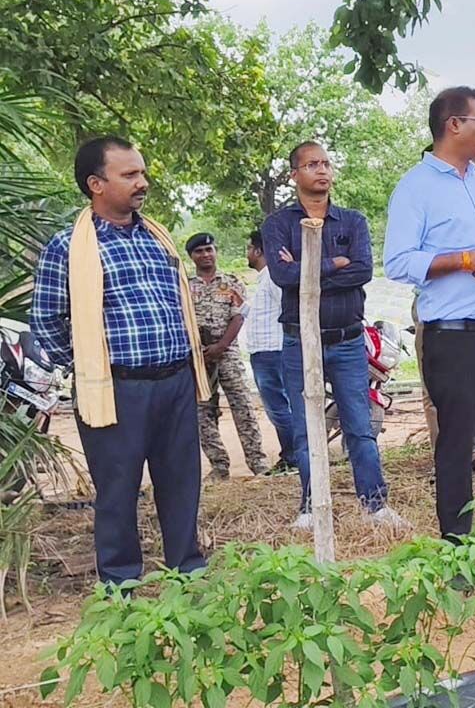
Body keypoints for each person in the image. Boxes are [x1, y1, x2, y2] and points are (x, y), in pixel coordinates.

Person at [30, 136, 207, 585]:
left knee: (182, 484)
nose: (142, 182)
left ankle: (187, 574)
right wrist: (91, 365)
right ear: (96, 184)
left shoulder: (157, 238)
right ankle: (120, 585)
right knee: (117, 490)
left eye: (141, 172)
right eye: (129, 175)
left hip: (175, 382)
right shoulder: (68, 246)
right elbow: (47, 320)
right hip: (114, 389)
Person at [384, 86, 475, 538]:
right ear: (454, 125)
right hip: (454, 338)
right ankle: (457, 545)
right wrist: (467, 259)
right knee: (455, 447)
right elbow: (398, 262)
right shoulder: (416, 188)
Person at [262, 140, 407, 530]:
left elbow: (362, 271)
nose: (322, 170)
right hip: (299, 341)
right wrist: (334, 263)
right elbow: (283, 276)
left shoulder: (352, 221)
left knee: (359, 427)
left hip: (347, 340)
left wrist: (310, 269)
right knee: (305, 429)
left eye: (326, 163)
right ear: (294, 175)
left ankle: (375, 505)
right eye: (312, 164)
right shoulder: (278, 225)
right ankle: (311, 507)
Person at [186, 233, 269, 479]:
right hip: (199, 356)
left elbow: (239, 315)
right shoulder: (185, 286)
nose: (205, 255)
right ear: (191, 256)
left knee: (242, 406)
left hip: (228, 354)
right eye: (199, 251)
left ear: (216, 251)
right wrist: (199, 350)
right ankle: (219, 465)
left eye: (209, 249)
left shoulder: (231, 282)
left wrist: (221, 346)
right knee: (203, 411)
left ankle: (257, 461)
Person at [243, 230, 297, 474]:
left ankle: (294, 457)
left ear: (258, 251)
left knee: (279, 407)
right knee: (278, 406)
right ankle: (292, 455)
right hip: (265, 351)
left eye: (249, 248)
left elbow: (287, 309)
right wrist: (243, 307)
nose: (247, 253)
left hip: (272, 351)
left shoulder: (274, 277)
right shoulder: (265, 278)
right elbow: (267, 315)